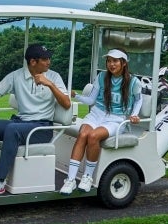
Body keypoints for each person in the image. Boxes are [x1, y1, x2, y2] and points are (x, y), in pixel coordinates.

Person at [0, 43, 71, 197]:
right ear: (33, 61)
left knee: (12, 129)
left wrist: (50, 85)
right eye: (45, 59)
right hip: (19, 124)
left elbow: (66, 104)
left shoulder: (54, 76)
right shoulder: (16, 76)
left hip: (41, 128)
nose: (49, 62)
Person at [60, 48, 142, 195]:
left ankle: (87, 177)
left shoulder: (133, 81)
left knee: (93, 136)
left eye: (115, 61)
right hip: (97, 113)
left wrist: (135, 114)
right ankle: (71, 180)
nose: (111, 64)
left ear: (123, 63)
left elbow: (138, 100)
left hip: (116, 119)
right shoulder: (102, 76)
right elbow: (91, 99)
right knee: (83, 134)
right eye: (109, 61)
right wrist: (76, 96)